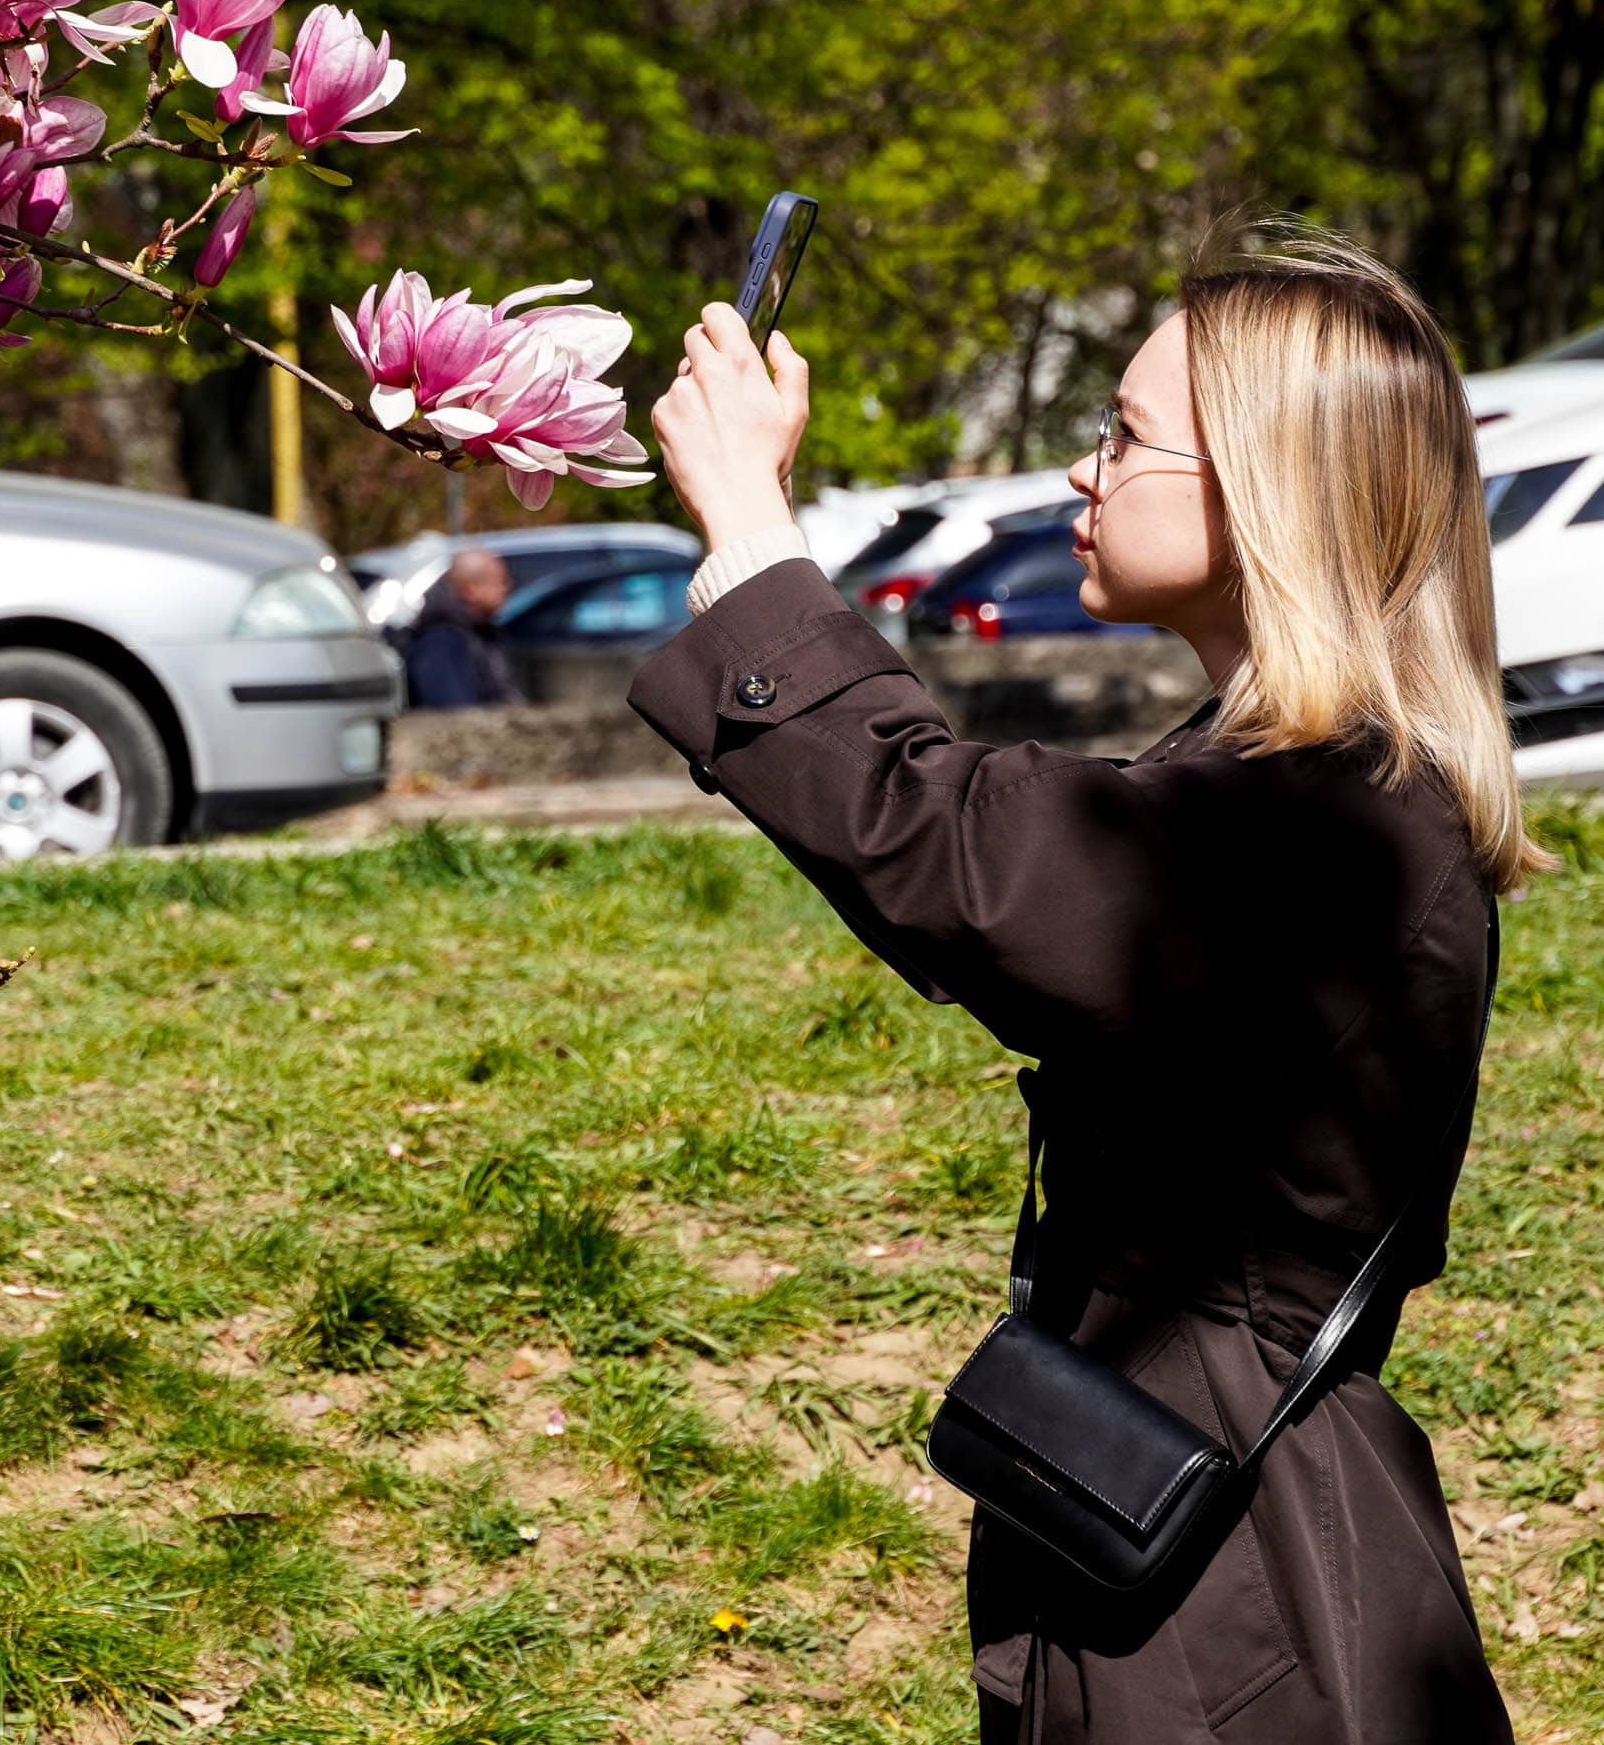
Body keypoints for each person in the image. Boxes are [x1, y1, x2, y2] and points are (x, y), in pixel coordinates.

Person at [628, 228, 1535, 1745]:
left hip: (1243, 1625)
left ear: (1267, 487)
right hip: (1204, 1550)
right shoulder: (1296, 792)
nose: (1081, 469)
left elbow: (962, 854)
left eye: (1124, 434)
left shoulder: (1333, 825)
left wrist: (751, 535)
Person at [401, 546, 525, 709]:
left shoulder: (479, 632)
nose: (507, 587)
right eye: (500, 581)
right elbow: (451, 712)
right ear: (470, 590)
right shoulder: (441, 642)